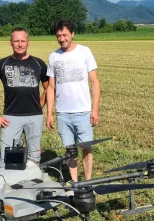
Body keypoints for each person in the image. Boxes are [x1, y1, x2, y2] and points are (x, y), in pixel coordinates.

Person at [0, 27, 49, 168]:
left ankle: (31, 183)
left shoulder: (39, 64)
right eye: (16, 41)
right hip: (10, 117)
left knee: (34, 158)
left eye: (23, 41)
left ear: (28, 42)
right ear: (11, 43)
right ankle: (7, 185)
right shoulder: (2, 64)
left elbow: (49, 88)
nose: (20, 44)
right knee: (6, 159)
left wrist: (40, 105)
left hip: (35, 116)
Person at [46, 20, 101, 182]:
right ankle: (75, 183)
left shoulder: (85, 52)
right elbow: (50, 87)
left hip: (83, 112)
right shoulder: (53, 56)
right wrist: (49, 114)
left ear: (72, 34)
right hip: (63, 113)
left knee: (86, 148)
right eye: (58, 36)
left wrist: (95, 109)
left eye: (64, 35)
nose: (61, 39)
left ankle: (88, 182)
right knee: (70, 151)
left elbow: (95, 82)